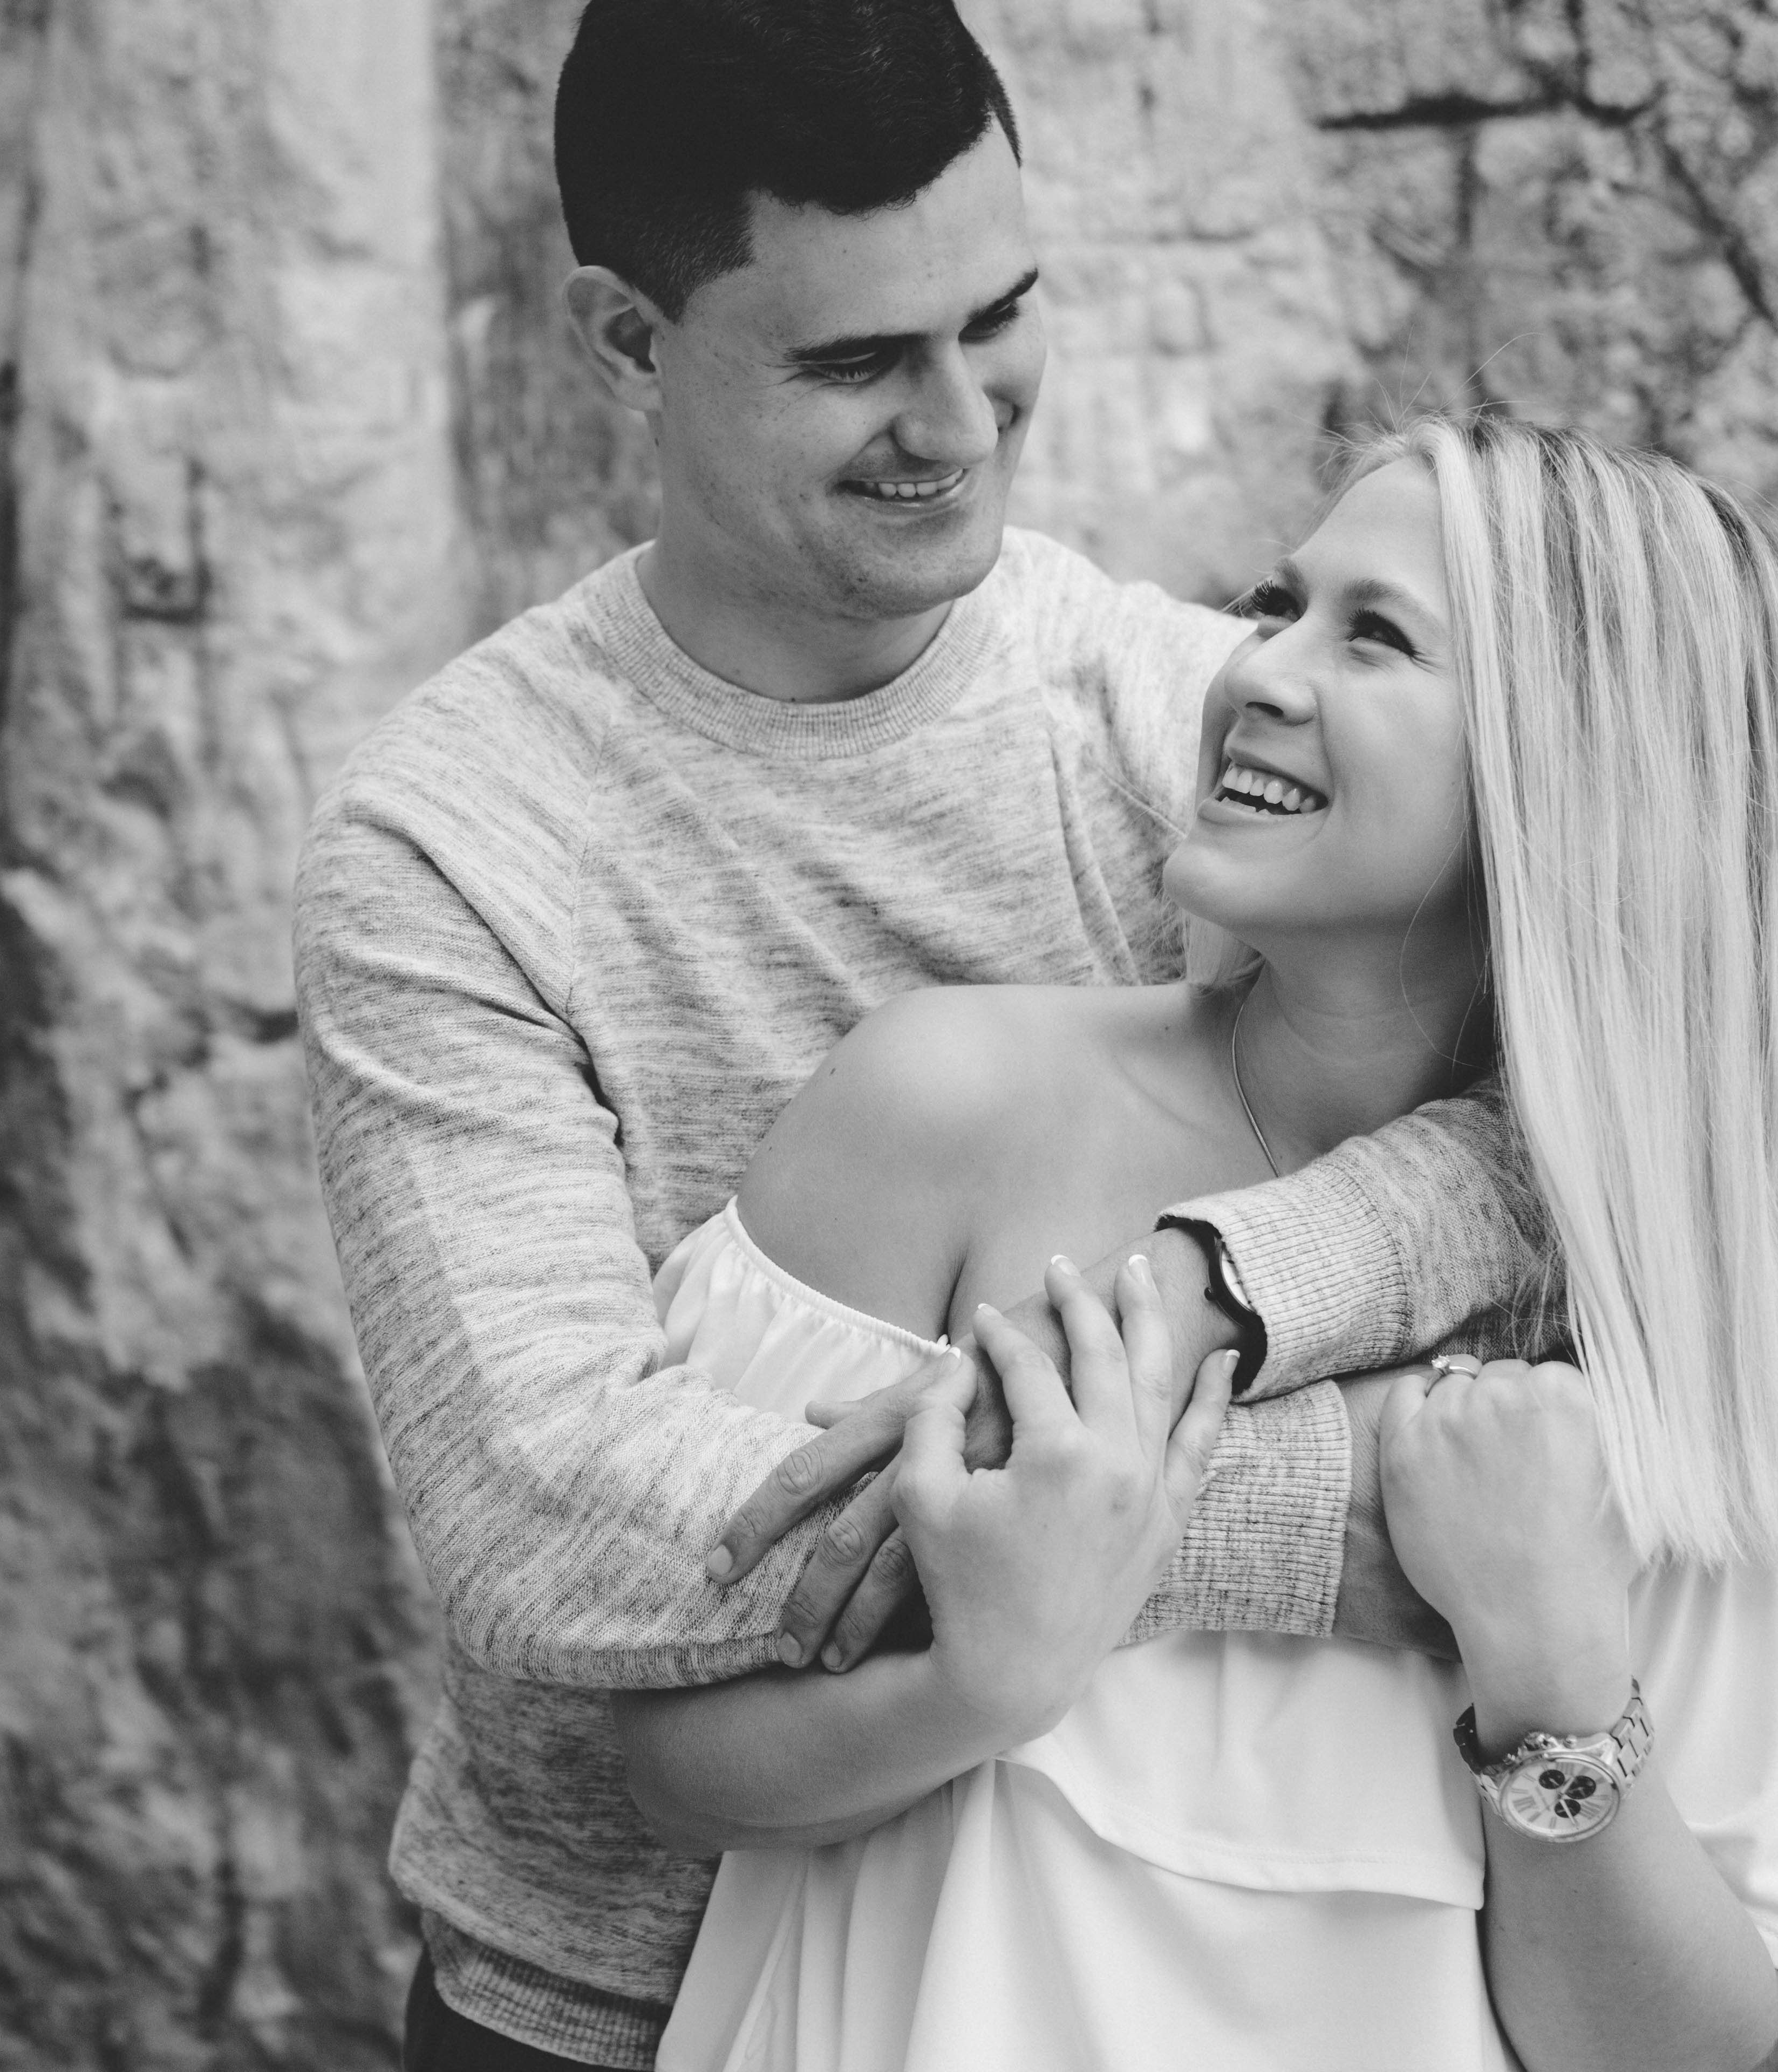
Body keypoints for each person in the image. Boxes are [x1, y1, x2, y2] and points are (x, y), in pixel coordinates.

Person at [295, 5, 1561, 2067]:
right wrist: (1283, 1522)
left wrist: (1218, 1296)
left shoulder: (1187, 725)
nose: (961, 419)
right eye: (858, 360)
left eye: (1002, 316)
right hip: (600, 1998)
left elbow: (1575, 1113)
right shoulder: (452, 845)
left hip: (1067, 1981)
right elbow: (548, 1508)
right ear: (626, 342)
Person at [620, 415, 1778, 2071]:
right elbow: (668, 1756)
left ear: (1571, 770)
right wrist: (985, 1683)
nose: (1256, 667)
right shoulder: (947, 1109)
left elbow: (1670, 2048)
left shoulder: (1697, 1329)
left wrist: (1549, 1664)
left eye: (1375, 636)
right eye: (1280, 602)